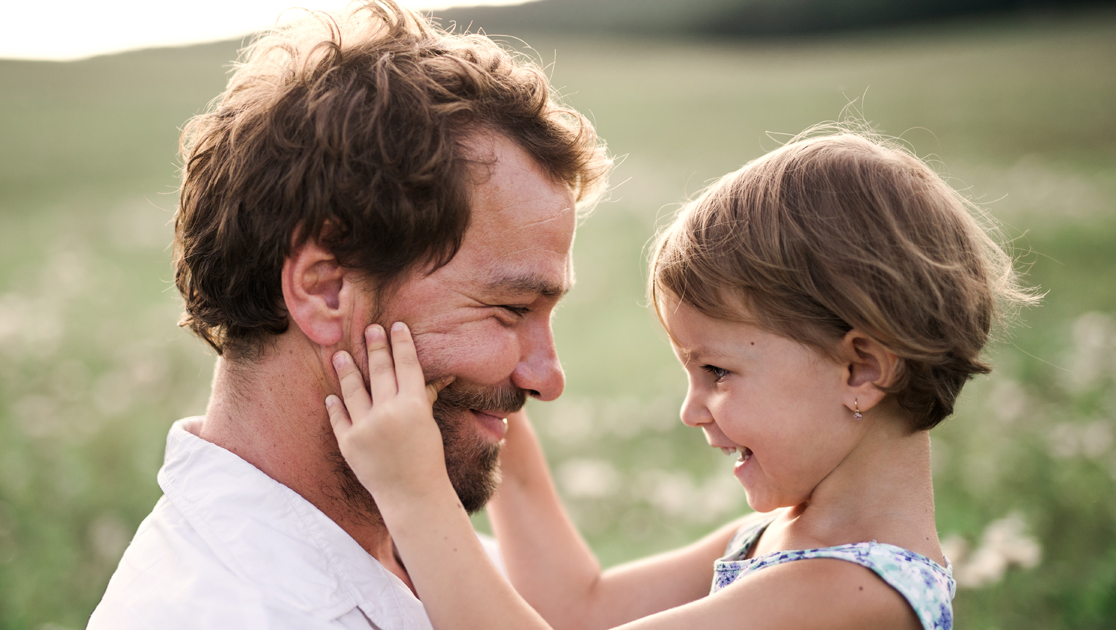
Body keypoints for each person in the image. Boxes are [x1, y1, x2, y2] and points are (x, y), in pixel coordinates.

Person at [326, 127, 1039, 630]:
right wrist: (493, 413)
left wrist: (415, 493)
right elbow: (579, 610)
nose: (692, 411)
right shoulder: (771, 538)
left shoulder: (855, 594)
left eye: (718, 371)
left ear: (861, 369)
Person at [87, 1, 609, 627]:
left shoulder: (432, 561)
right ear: (325, 291)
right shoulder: (221, 612)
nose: (547, 377)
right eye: (509, 309)